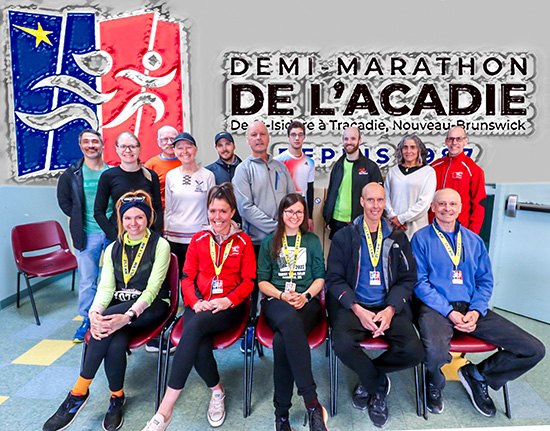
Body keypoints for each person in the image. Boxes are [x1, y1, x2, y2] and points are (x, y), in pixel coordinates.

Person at [43, 191, 171, 431]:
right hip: (119, 307)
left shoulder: (160, 244)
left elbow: (153, 288)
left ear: (148, 219)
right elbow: (106, 287)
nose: (133, 223)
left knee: (107, 325)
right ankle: (116, 398)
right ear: (121, 220)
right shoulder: (113, 248)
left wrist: (128, 316)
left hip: (151, 306)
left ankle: (78, 392)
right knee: (113, 340)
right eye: (128, 218)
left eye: (139, 217)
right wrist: (94, 312)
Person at [412, 188, 545, 417]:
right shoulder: (421, 238)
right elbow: (419, 283)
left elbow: (485, 281)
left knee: (533, 349)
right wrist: (449, 312)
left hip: (471, 307)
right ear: (432, 208)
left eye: (452, 204)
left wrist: (476, 310)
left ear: (460, 208)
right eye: (441, 204)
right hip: (435, 307)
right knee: (433, 352)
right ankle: (433, 380)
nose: (447, 208)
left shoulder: (474, 241)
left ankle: (478, 375)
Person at [141, 183, 256, 431]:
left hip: (228, 307)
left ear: (233, 212)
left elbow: (249, 282)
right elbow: (187, 278)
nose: (217, 217)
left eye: (223, 211)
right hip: (199, 303)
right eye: (213, 211)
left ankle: (164, 410)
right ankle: (217, 391)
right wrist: (195, 302)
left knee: (192, 330)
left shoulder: (244, 242)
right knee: (198, 343)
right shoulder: (199, 239)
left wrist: (227, 300)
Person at [326, 183, 424, 428]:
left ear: (385, 202)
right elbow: (334, 279)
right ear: (362, 202)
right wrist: (357, 309)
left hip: (388, 307)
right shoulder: (344, 236)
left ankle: (369, 375)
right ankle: (378, 388)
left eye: (380, 200)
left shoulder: (397, 237)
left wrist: (390, 309)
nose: (375, 205)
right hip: (355, 306)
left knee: (415, 351)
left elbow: (408, 279)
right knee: (341, 344)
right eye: (370, 200)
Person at [257, 193, 328, 431]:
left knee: (281, 341)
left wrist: (305, 295)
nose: (294, 216)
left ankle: (281, 415)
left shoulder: (311, 241)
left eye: (299, 212)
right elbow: (262, 281)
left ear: (305, 215)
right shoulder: (269, 242)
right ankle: (312, 403)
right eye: (289, 211)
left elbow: (320, 277)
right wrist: (282, 295)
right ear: (281, 214)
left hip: (306, 302)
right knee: (288, 320)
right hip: (277, 301)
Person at [56, 129, 112, 342]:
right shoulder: (71, 174)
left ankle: (112, 316)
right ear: (81, 146)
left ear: (102, 145)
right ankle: (87, 319)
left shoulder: (111, 172)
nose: (91, 145)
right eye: (86, 142)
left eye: (95, 142)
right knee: (88, 280)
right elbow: (64, 201)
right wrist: (78, 216)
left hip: (111, 233)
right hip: (86, 234)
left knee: (115, 278)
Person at [233, 120, 295, 249]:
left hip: (284, 238)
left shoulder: (281, 167)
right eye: (254, 135)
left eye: (262, 134)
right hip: (257, 242)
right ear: (248, 140)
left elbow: (292, 200)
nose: (258, 138)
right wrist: (276, 227)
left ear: (268, 138)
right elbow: (246, 208)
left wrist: (288, 226)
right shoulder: (243, 170)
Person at [95, 131, 163, 243]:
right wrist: (115, 236)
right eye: (123, 146)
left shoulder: (151, 176)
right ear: (116, 149)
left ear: (139, 149)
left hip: (146, 237)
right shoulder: (108, 176)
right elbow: (98, 212)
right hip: (119, 236)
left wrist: (155, 235)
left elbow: (158, 209)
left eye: (132, 146)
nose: (128, 150)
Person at [163, 132, 215, 276]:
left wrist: (211, 233)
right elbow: (169, 208)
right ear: (175, 151)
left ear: (195, 149)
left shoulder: (208, 175)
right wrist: (166, 233)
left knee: (198, 277)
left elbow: (212, 207)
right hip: (175, 236)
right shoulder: (171, 176)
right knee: (176, 277)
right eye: (180, 148)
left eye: (188, 147)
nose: (185, 151)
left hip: (200, 236)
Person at [323, 126, 383, 239]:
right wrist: (327, 217)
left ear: (360, 140)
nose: (349, 142)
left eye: (353, 139)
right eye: (346, 139)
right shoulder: (337, 166)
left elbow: (379, 197)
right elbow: (331, 192)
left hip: (361, 222)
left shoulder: (371, 167)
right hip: (337, 222)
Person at [430, 126, 486, 234]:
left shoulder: (473, 170)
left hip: (458, 230)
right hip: (432, 228)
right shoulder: (434, 167)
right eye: (451, 139)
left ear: (465, 141)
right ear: (446, 141)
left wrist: (472, 234)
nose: (454, 142)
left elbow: (479, 204)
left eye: (459, 139)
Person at [384, 134, 436, 240]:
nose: (408, 151)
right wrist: (393, 217)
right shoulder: (393, 171)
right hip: (393, 227)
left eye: (413, 147)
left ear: (419, 150)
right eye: (405, 147)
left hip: (417, 229)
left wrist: (401, 219)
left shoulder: (428, 172)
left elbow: (424, 203)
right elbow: (385, 196)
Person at [275, 120, 315, 230]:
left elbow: (310, 191)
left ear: (304, 137)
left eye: (300, 135)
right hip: (284, 210)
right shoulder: (278, 161)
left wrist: (310, 217)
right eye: (293, 135)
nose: (297, 138)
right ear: (288, 136)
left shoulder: (310, 162)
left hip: (301, 211)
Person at [205, 131, 243, 225]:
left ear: (234, 146)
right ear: (216, 148)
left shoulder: (245, 169)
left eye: (227, 144)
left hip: (243, 223)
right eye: (220, 145)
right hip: (220, 223)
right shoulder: (209, 172)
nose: (224, 148)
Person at [144, 125, 181, 209]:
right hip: (161, 211)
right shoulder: (151, 165)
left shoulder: (185, 162)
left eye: (172, 139)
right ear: (158, 142)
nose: (169, 143)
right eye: (165, 139)